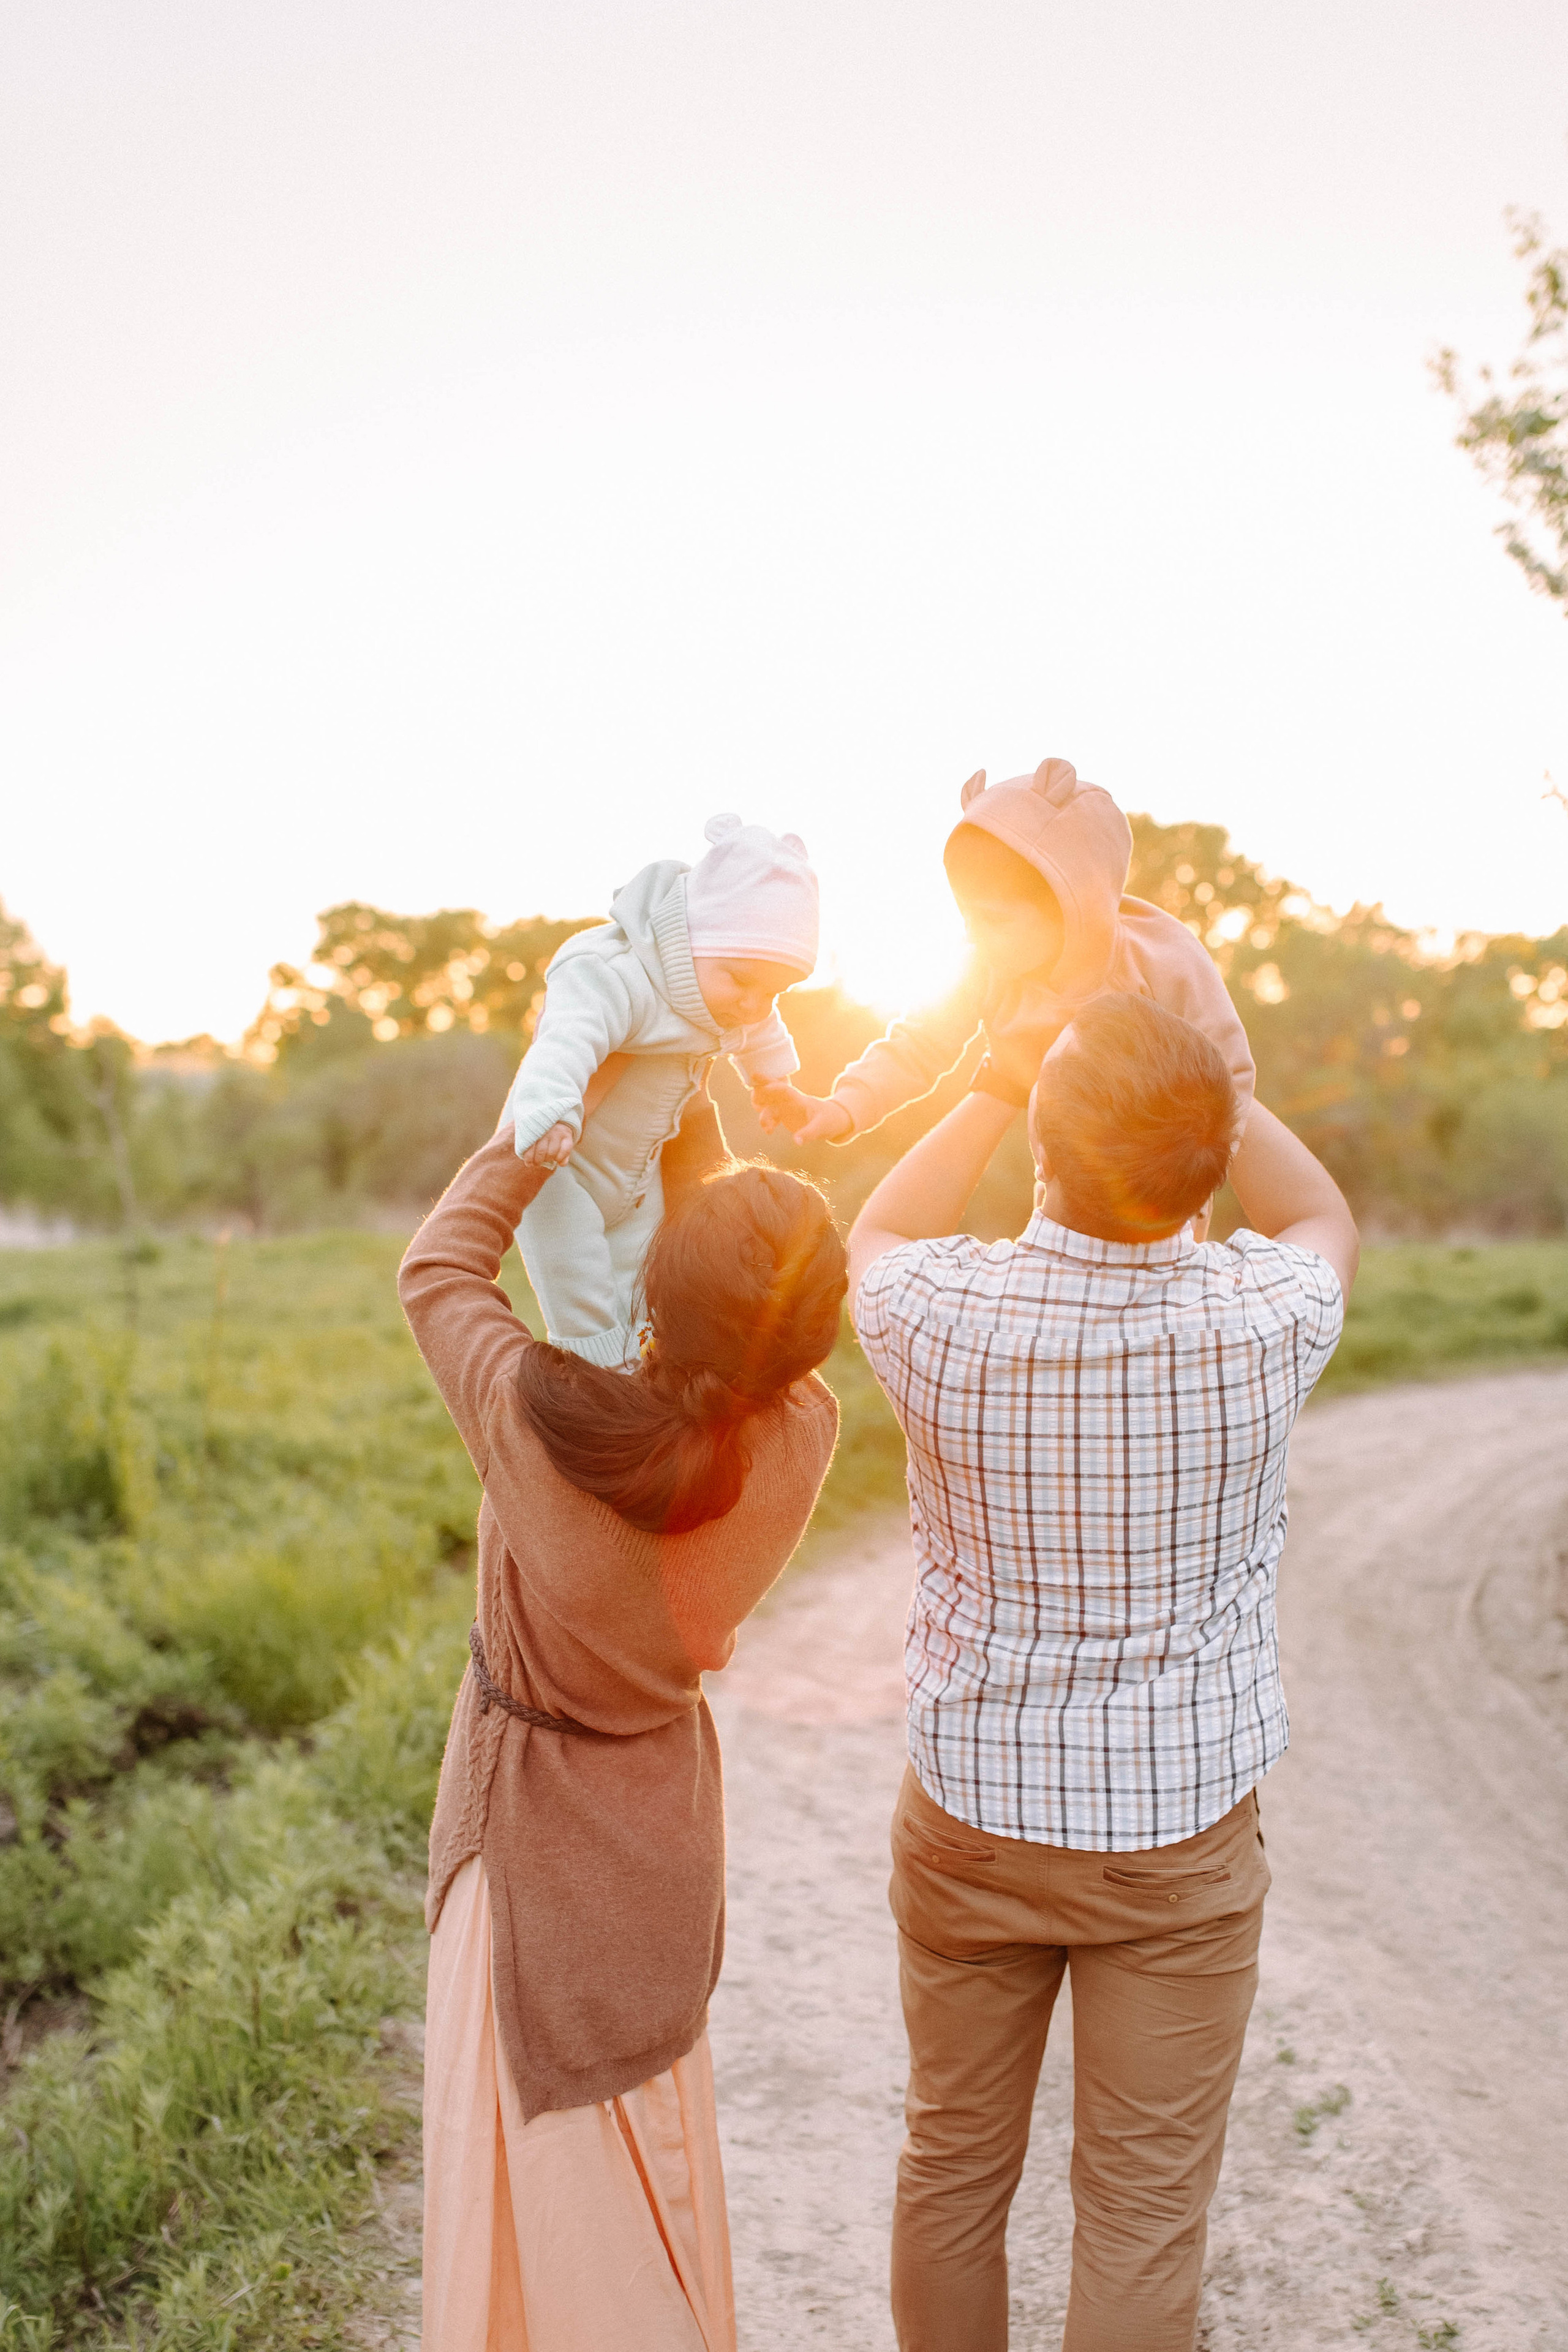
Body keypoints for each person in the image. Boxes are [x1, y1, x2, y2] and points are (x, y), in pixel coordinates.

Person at [847, 992, 1357, 2352]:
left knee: (949, 2163)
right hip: (1177, 1844)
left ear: (1039, 1143)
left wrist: (984, 1083)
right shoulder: (1263, 1321)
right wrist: (1221, 1092)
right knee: (1140, 2213)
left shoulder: (937, 1314)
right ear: (1205, 1154)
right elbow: (1320, 1221)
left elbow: (875, 1231)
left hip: (969, 1825)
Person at [400, 1090, 845, 2352]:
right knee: (645, 2167)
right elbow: (731, 1323)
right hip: (664, 1846)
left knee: (541, 2195)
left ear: (656, 1283)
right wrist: (685, 1113)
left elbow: (436, 1266)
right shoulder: (802, 1431)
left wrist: (546, 1119)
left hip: (529, 1854)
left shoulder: (540, 1426)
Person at [755, 758, 1254, 1145]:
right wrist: (842, 1107)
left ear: (1070, 907)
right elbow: (920, 1044)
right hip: (1064, 1167)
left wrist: (1205, 1168)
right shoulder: (984, 967)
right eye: (967, 917)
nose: (976, 936)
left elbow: (1227, 1066)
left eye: (994, 920)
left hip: (1171, 1162)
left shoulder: (1160, 959)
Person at [505, 812, 820, 1368]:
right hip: (563, 1166)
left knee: (645, 1278)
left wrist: (775, 1081)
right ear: (689, 934)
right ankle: (595, 1370)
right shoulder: (615, 973)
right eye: (743, 981)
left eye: (773, 991)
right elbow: (566, 1038)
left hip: (637, 1177)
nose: (753, 1004)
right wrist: (552, 1111)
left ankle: (645, 1368)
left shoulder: (725, 989)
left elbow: (761, 1028)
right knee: (577, 1280)